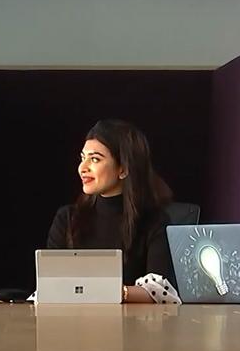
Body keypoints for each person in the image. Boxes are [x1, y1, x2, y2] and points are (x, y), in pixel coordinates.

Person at [46, 119, 180, 304]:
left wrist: (106, 291)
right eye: (82, 158)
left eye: (95, 159)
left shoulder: (154, 221)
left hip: (133, 327)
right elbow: (50, 285)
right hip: (74, 325)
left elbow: (160, 291)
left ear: (123, 169)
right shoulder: (67, 218)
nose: (82, 168)